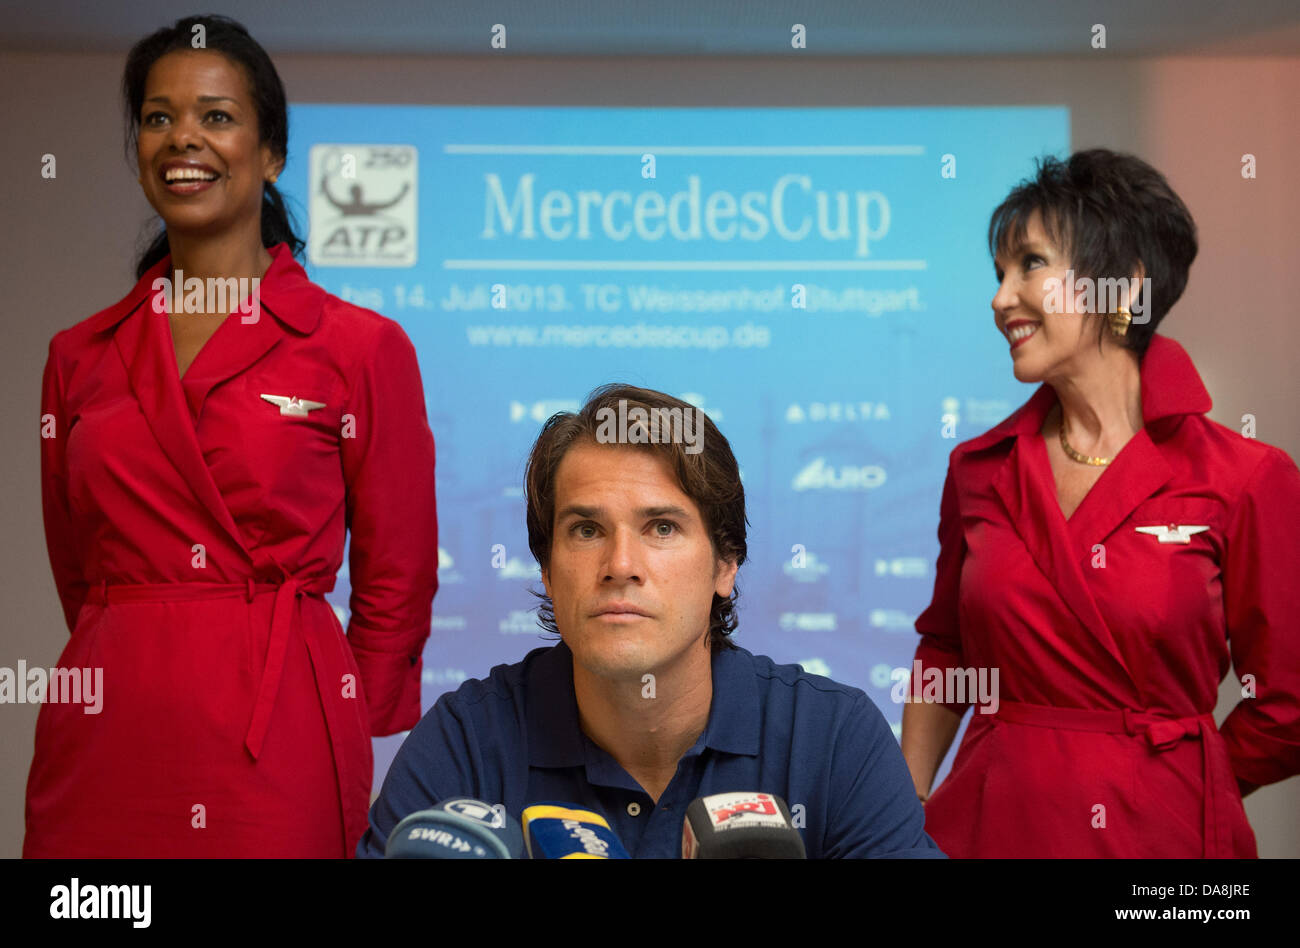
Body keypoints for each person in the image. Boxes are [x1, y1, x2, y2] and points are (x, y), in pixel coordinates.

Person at [26, 15, 439, 857]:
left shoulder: (359, 347)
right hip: (108, 719)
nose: (184, 137)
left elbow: (398, 575)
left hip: (277, 720)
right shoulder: (79, 355)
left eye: (217, 116)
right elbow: (79, 570)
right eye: (157, 116)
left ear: (272, 152)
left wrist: (346, 708)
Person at [901, 149, 1300, 857]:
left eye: (1030, 265)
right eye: (999, 274)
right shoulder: (977, 470)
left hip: (1161, 843)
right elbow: (948, 651)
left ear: (1125, 285)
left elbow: (1288, 704)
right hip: (993, 827)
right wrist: (904, 812)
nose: (1001, 299)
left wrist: (1186, 780)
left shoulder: (1246, 475)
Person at [359, 385, 943, 858]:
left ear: (725, 564)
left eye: (661, 528)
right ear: (546, 569)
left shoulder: (833, 738)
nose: (620, 566)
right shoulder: (464, 741)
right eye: (586, 530)